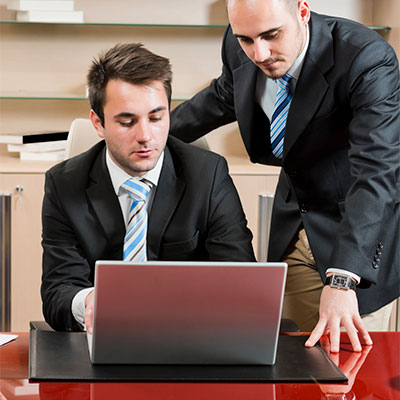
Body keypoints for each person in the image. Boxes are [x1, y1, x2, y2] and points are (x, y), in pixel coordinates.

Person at [170, 0, 400, 352]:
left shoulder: (366, 57)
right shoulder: (239, 43)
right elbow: (221, 97)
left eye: (271, 35)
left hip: (356, 235)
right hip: (294, 223)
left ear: (303, 11)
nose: (259, 53)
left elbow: (377, 173)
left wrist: (341, 281)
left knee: (352, 370)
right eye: (246, 39)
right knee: (296, 361)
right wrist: (149, 132)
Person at [41, 43, 255, 332]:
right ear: (98, 123)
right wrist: (88, 300)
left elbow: (240, 279)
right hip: (103, 338)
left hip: (191, 337)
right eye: (127, 122)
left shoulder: (209, 175)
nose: (145, 136)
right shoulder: (64, 184)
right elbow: (58, 291)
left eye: (156, 118)